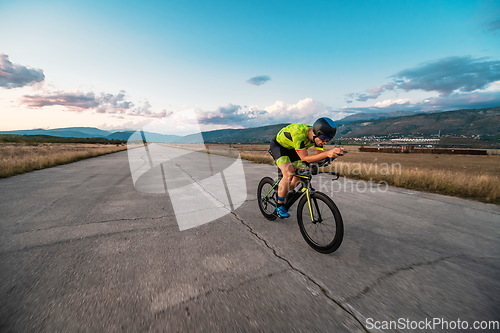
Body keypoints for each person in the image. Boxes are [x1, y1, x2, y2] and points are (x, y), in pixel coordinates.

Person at [268, 117, 345, 218]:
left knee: (300, 175)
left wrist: (332, 156)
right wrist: (327, 153)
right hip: (279, 147)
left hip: (293, 149)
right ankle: (279, 206)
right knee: (289, 173)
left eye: (328, 139)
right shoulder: (299, 133)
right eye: (324, 138)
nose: (325, 142)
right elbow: (305, 158)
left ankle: (284, 190)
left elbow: (318, 156)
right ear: (316, 133)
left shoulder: (318, 139)